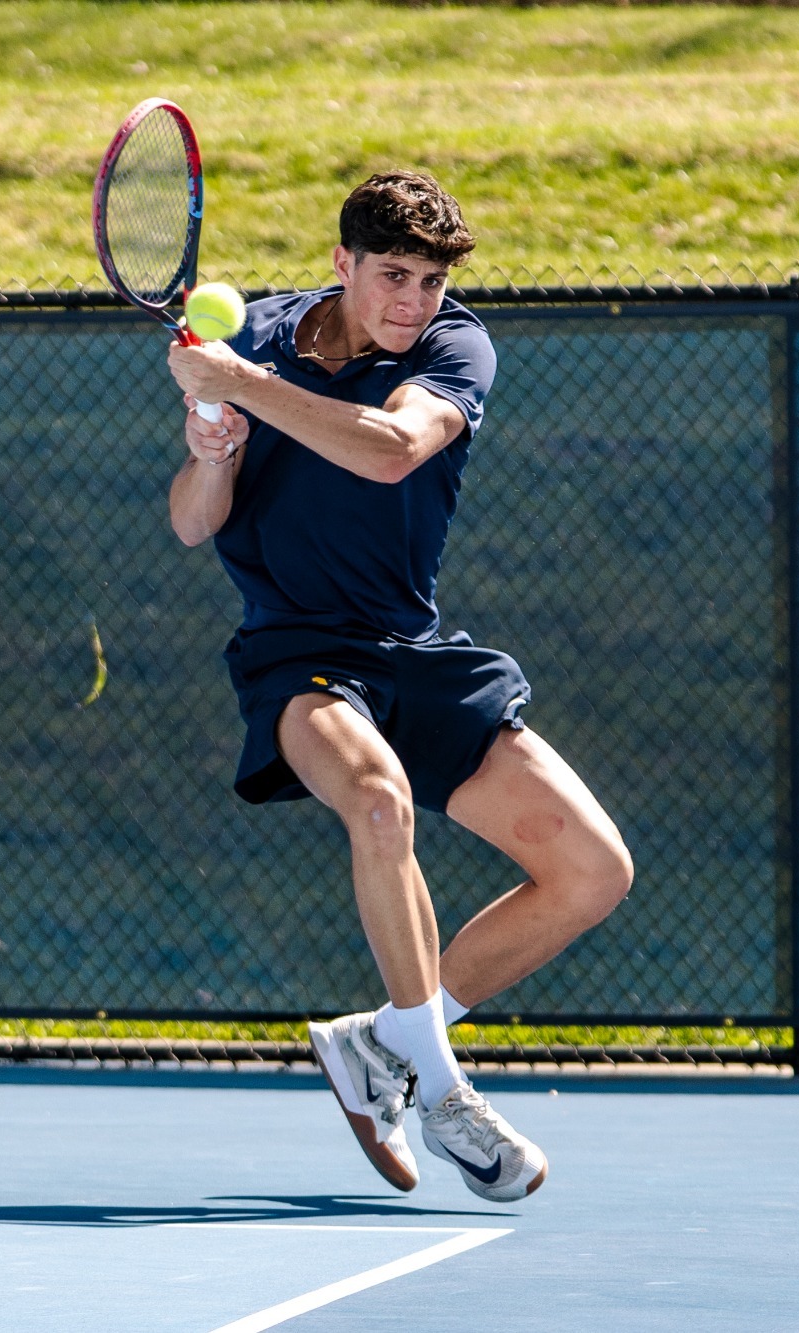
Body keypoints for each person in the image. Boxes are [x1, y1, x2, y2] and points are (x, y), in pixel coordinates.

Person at [164, 172, 634, 1201]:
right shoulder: (258, 336)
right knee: (375, 802)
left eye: (426, 280)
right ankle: (441, 1088)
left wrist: (237, 388)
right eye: (391, 277)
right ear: (340, 265)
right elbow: (195, 520)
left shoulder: (451, 348)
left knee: (593, 872)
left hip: (410, 649)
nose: (411, 302)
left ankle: (381, 1046)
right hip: (296, 652)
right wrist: (209, 446)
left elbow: (389, 452)